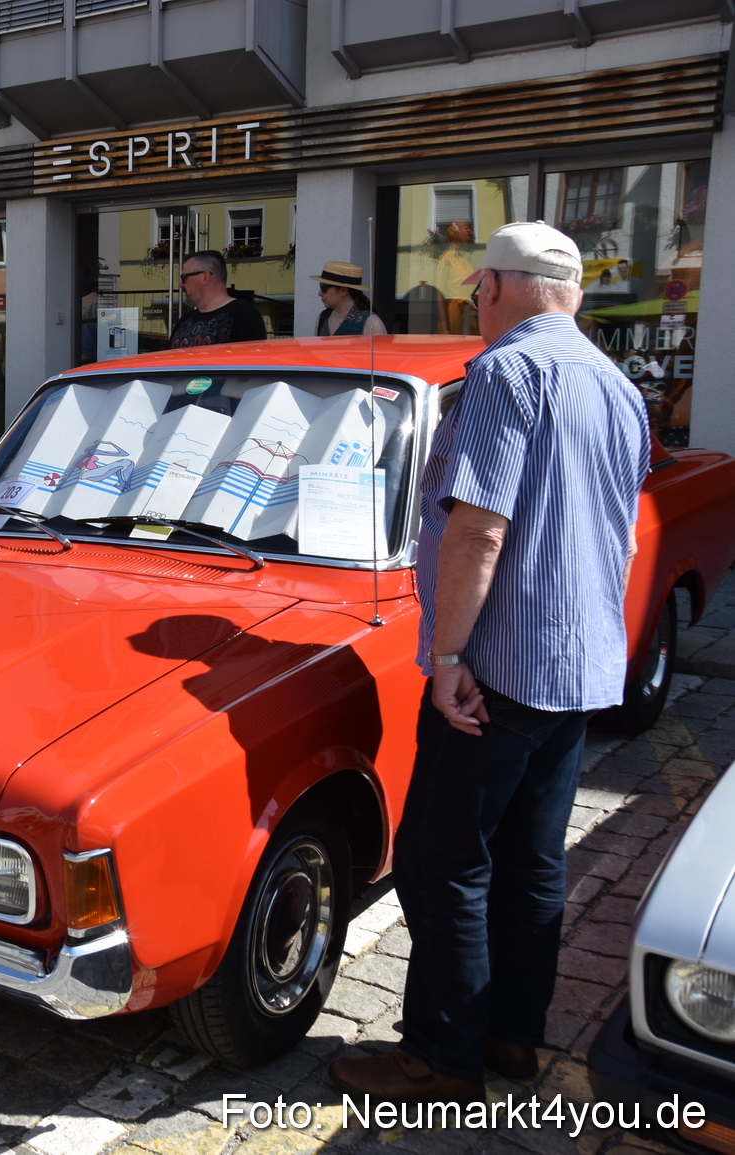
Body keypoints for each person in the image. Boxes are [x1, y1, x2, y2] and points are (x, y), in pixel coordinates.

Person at [329, 223, 648, 1102]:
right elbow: (615, 531)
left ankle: (439, 1055)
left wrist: (449, 654)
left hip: (499, 663)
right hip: (576, 661)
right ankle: (513, 1037)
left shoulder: (509, 372)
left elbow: (479, 526)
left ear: (501, 287)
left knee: (444, 861)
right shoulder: (617, 385)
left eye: (476, 288)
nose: (473, 302)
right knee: (534, 860)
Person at [167, 251, 266, 348]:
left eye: (184, 277)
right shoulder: (186, 320)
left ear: (204, 277)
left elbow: (251, 360)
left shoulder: (244, 315)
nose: (181, 284)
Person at [311, 261, 389, 336]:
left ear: (343, 290)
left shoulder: (371, 323)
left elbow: (383, 349)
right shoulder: (322, 318)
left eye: (324, 288)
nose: (320, 293)